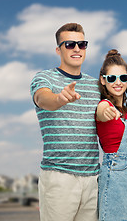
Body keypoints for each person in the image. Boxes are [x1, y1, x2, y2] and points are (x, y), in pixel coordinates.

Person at [30, 23, 100, 221]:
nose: (77, 49)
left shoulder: (96, 86)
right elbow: (43, 99)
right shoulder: (44, 77)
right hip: (59, 177)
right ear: (58, 49)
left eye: (82, 44)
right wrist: (60, 99)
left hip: (93, 178)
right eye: (69, 44)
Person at [96, 49, 127, 221]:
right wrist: (106, 111)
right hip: (115, 176)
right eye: (112, 78)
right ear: (103, 80)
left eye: (123, 78)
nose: (118, 82)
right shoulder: (104, 104)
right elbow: (101, 112)